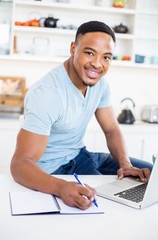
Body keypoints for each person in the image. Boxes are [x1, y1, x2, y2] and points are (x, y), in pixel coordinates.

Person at [10, 20, 152, 210]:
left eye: (106, 57)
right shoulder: (47, 94)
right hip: (56, 169)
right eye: (89, 53)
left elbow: (111, 129)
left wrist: (124, 164)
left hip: (81, 154)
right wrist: (60, 187)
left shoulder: (100, 85)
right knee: (110, 203)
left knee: (150, 174)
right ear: (73, 48)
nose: (97, 64)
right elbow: (19, 165)